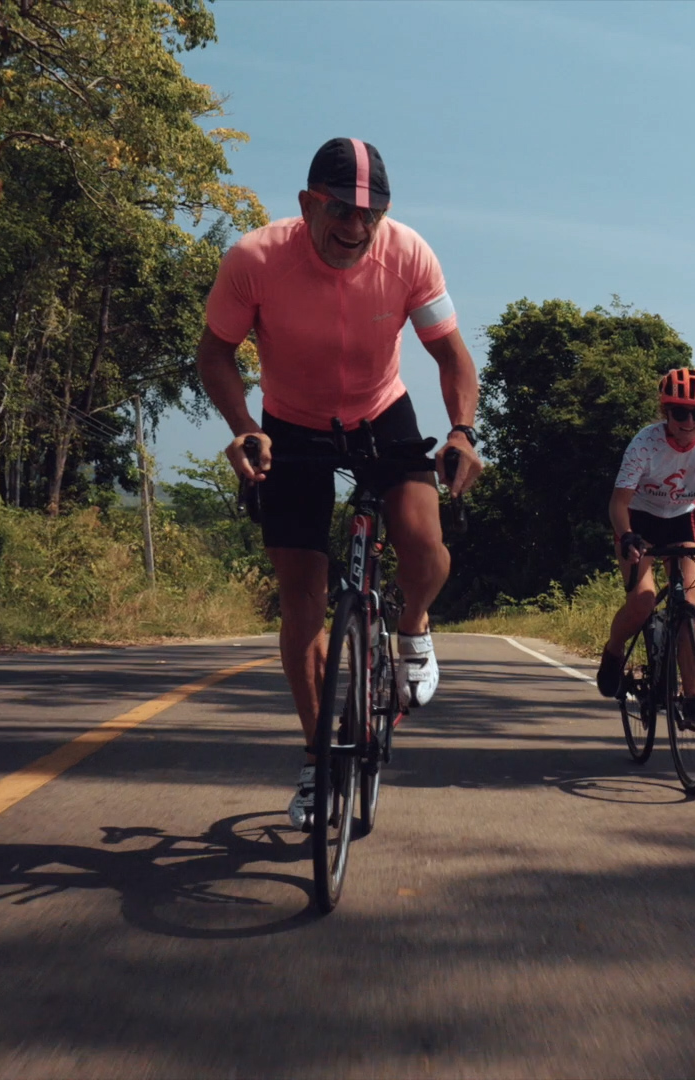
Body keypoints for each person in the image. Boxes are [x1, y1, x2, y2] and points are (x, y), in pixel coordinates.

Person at [197, 137, 484, 828]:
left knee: (422, 545)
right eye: (341, 210)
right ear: (307, 204)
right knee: (302, 601)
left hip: (381, 410)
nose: (356, 227)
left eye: (371, 213)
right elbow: (215, 353)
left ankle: (412, 626)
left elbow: (450, 355)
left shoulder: (409, 254)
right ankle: (317, 759)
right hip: (291, 424)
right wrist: (242, 426)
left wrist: (461, 431)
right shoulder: (255, 259)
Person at [594, 368, 695, 720]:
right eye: (680, 412)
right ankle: (614, 651)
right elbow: (618, 503)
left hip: (681, 518)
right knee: (643, 600)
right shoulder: (645, 443)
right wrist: (628, 535)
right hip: (638, 520)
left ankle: (693, 698)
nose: (690, 421)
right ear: (666, 412)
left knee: (690, 611)